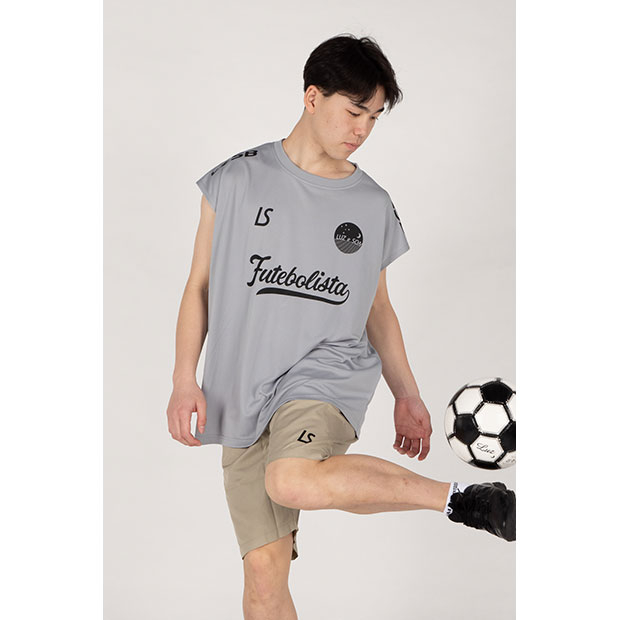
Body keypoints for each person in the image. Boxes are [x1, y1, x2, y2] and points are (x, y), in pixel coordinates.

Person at [166, 33, 516, 619]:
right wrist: (184, 378)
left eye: (374, 117)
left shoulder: (371, 204)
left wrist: (407, 394)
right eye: (355, 111)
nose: (363, 129)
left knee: (291, 479)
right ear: (312, 97)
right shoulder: (233, 180)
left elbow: (378, 308)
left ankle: (464, 500)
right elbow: (197, 286)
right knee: (264, 578)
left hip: (325, 373)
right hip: (240, 388)